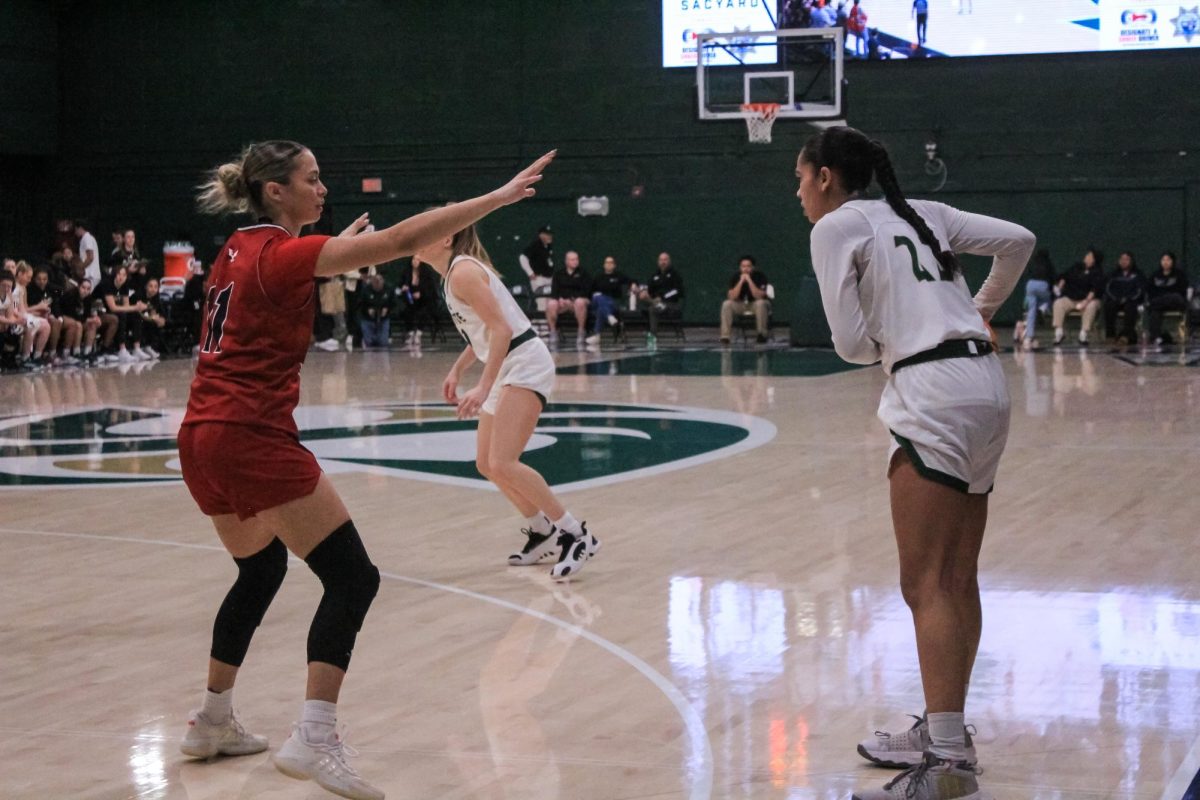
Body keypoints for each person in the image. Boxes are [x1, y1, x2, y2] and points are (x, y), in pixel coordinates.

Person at [177, 139, 554, 800]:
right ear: (276, 191)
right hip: (250, 435)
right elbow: (405, 236)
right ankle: (315, 738)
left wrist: (327, 250)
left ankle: (211, 719)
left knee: (261, 569)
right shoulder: (286, 254)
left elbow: (277, 285)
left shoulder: (238, 247)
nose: (323, 188)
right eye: (312, 179)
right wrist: (493, 199)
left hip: (200, 437)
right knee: (354, 578)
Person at [795, 126, 1034, 800]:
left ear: (823, 177)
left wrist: (891, 344)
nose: (798, 194)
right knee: (957, 576)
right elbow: (1019, 242)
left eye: (799, 179)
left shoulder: (836, 227)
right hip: (987, 383)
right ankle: (943, 728)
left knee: (924, 583)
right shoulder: (926, 212)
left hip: (932, 391)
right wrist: (978, 310)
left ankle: (950, 763)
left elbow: (846, 345)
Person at [418, 216, 599, 582]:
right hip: (504, 365)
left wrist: (483, 386)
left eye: (426, 231)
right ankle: (543, 530)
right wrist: (457, 370)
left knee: (504, 461)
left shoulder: (463, 272)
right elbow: (483, 333)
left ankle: (576, 534)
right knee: (486, 463)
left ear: (447, 238)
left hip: (524, 362)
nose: (416, 238)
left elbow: (502, 330)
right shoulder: (451, 275)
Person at [1051, 248, 1105, 345]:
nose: (1086, 257)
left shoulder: (1098, 272)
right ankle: (1059, 333)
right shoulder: (1077, 267)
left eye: (1089, 256)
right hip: (1072, 298)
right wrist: (1062, 282)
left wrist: (1086, 301)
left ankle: (1083, 334)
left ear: (1094, 260)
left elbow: (1095, 289)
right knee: (1058, 303)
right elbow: (1065, 275)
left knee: (1091, 306)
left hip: (1089, 299)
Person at [99, 264, 151, 363]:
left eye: (124, 275)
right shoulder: (107, 284)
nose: (121, 277)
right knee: (122, 315)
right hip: (101, 311)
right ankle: (122, 349)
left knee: (136, 315)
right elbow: (113, 307)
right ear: (114, 275)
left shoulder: (124, 286)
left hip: (116, 311)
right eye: (119, 274)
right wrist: (134, 307)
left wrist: (137, 308)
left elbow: (126, 306)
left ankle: (136, 348)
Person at [719, 256, 771, 344]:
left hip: (756, 304)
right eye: (743, 266)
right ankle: (725, 337)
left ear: (753, 267)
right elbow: (732, 297)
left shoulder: (760, 276)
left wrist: (749, 280)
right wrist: (741, 282)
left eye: (748, 266)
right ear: (740, 267)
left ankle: (761, 334)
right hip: (741, 304)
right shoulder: (735, 277)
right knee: (726, 304)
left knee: (761, 303)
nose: (745, 269)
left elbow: (759, 296)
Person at [637, 252, 685, 340]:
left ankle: (653, 336)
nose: (663, 262)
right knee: (645, 300)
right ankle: (655, 304)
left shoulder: (675, 275)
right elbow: (649, 289)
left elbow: (677, 291)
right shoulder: (655, 275)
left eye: (665, 260)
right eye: (661, 260)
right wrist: (643, 292)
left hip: (670, 305)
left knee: (653, 308)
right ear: (658, 262)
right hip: (655, 302)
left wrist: (662, 297)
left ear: (669, 261)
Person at [545, 250, 589, 345]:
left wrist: (572, 299)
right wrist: (559, 299)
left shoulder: (583, 273)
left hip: (576, 302)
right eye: (572, 260)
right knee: (551, 303)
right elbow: (554, 291)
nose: (575, 261)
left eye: (576, 259)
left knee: (580, 302)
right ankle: (553, 331)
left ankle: (581, 331)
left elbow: (586, 291)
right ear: (566, 261)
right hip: (562, 303)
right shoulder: (558, 274)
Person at [585, 255, 631, 346]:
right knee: (598, 297)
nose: (609, 264)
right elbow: (590, 292)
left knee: (601, 309)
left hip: (612, 303)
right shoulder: (598, 277)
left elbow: (631, 281)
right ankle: (609, 316)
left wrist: (633, 285)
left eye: (611, 263)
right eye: (607, 262)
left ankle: (597, 335)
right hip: (596, 302)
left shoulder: (619, 276)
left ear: (614, 265)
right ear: (604, 265)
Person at [1146, 251, 1189, 345]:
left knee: (1173, 297)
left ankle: (1156, 303)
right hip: (1160, 305)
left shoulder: (1179, 275)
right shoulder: (1155, 275)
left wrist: (1163, 297)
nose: (1165, 262)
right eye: (1163, 260)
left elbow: (1181, 291)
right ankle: (1156, 337)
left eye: (1168, 260)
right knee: (1154, 312)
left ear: (1172, 261)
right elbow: (1150, 291)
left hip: (1175, 302)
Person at [1015, 248, 1054, 349]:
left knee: (1031, 310)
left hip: (1030, 285)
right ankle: (1043, 309)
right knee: (1048, 299)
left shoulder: (1032, 263)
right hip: (1043, 284)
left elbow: (1026, 273)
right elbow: (1053, 277)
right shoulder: (1048, 264)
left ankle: (1029, 336)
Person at [1103, 251, 1144, 344]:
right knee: (1109, 306)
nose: (1124, 261)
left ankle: (1126, 336)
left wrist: (1129, 298)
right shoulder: (1113, 274)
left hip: (1131, 300)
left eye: (1126, 259)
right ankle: (1110, 336)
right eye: (1122, 259)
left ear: (1131, 261)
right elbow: (1108, 289)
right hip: (1116, 299)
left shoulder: (1138, 274)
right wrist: (1116, 298)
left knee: (1131, 308)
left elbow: (1140, 290)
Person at [397, 255, 439, 345]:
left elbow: (431, 289)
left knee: (424, 311)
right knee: (406, 311)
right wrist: (403, 287)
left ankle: (418, 334)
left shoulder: (426, 273)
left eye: (417, 260)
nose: (415, 261)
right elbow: (400, 286)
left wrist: (421, 293)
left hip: (424, 300)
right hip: (410, 300)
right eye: (414, 259)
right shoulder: (407, 272)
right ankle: (411, 333)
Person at [518, 225, 555, 306]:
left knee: (550, 304)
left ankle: (545, 318)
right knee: (542, 303)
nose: (550, 236)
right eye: (547, 234)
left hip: (548, 278)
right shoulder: (535, 245)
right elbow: (522, 257)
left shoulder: (548, 246)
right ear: (541, 235)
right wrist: (530, 272)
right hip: (539, 279)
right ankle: (540, 319)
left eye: (550, 234)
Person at [357, 272, 394, 349]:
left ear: (383, 281)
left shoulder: (389, 289)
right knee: (369, 342)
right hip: (368, 319)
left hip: (383, 319)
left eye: (380, 280)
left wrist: (387, 309)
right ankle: (365, 338)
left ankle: (383, 337)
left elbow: (394, 304)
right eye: (375, 281)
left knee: (383, 343)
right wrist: (367, 309)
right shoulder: (366, 290)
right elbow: (359, 305)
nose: (378, 283)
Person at [75, 219, 102, 285]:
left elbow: (90, 257)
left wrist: (80, 267)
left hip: (91, 275)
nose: (75, 232)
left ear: (80, 228)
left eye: (76, 229)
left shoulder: (87, 238)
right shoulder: (88, 238)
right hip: (90, 274)